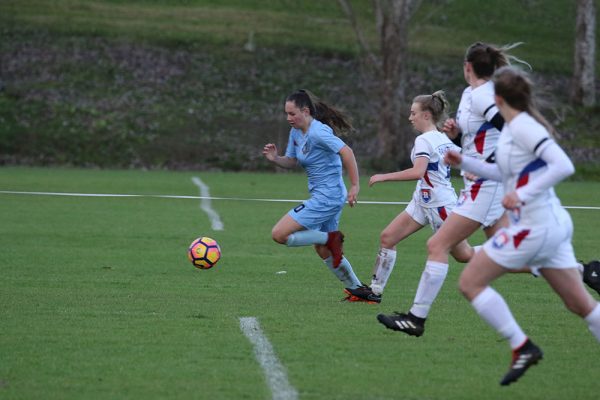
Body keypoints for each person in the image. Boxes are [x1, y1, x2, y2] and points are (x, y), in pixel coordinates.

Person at [445, 66, 600, 386]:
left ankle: (522, 346)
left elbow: (564, 165)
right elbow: (505, 174)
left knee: (470, 282)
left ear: (498, 98)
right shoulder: (513, 129)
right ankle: (523, 346)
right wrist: (465, 162)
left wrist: (522, 195)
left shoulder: (525, 128)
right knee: (581, 305)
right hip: (551, 228)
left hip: (535, 228)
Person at [377, 42, 522, 336]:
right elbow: (482, 137)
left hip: (487, 184)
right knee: (501, 252)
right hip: (472, 185)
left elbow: (511, 129)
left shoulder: (482, 96)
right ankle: (579, 271)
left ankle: (416, 319)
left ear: (467, 66)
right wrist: (457, 137)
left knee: (440, 246)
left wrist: (490, 164)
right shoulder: (471, 95)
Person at [262, 89, 373, 302]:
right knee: (324, 251)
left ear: (305, 111)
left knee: (279, 234)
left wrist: (355, 185)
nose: (288, 118)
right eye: (286, 114)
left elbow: (347, 152)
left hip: (328, 197)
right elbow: (293, 162)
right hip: (325, 196)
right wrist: (275, 158)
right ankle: (359, 291)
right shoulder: (296, 133)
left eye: (292, 113)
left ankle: (331, 238)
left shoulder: (318, 132)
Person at [365, 90, 470, 304]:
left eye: (413, 113)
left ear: (426, 115)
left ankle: (510, 253)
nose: (410, 117)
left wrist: (384, 176)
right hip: (422, 201)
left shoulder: (425, 140)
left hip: (441, 206)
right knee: (388, 238)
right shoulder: (441, 138)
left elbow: (418, 172)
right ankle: (373, 292)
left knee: (463, 255)